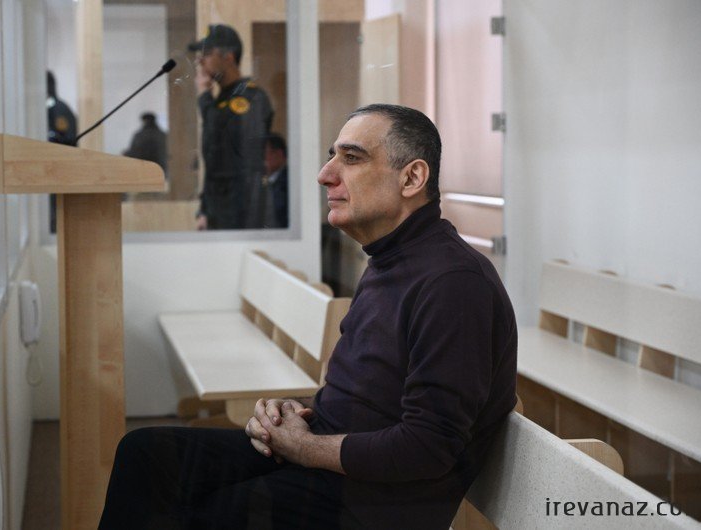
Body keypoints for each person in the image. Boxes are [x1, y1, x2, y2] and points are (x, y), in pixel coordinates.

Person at [98, 104, 517, 530]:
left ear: (411, 178)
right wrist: (292, 413)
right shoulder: (391, 258)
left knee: (194, 514)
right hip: (330, 463)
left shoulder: (453, 283)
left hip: (370, 505)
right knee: (146, 454)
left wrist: (303, 448)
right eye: (332, 156)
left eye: (351, 158)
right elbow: (365, 398)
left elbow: (429, 446)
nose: (325, 174)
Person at [190, 24, 273, 230]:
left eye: (207, 54)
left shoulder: (250, 96)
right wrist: (205, 210)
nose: (200, 61)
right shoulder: (222, 99)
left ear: (228, 56)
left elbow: (229, 150)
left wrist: (204, 96)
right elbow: (214, 164)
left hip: (242, 212)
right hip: (219, 211)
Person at [46, 71, 78, 233]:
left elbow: (67, 138)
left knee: (57, 213)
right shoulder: (46, 108)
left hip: (59, 169)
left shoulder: (58, 109)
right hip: (49, 171)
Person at [247, 133, 288, 228]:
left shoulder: (289, 181)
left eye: (264, 153)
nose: (262, 159)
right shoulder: (261, 180)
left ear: (279, 154)